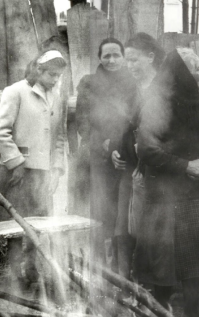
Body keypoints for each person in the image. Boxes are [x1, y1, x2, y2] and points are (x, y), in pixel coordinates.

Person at [134, 48, 199, 317]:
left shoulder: (198, 101)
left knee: (194, 255)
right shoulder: (156, 102)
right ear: (181, 72)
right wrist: (185, 166)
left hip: (195, 191)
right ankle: (161, 314)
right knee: (163, 257)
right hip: (164, 193)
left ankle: (190, 311)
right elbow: (146, 150)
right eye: (196, 68)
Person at [74, 38, 137, 277]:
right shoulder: (89, 84)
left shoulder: (133, 84)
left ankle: (124, 271)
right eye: (106, 56)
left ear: (123, 57)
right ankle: (100, 270)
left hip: (127, 159)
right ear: (99, 58)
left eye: (116, 55)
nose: (111, 60)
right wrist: (104, 146)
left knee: (126, 217)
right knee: (101, 214)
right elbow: (83, 124)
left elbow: (135, 120)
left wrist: (124, 148)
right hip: (99, 162)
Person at [0, 50, 66, 222]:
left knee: (38, 228)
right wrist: (16, 163)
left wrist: (57, 169)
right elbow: (0, 131)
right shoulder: (16, 92)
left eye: (58, 76)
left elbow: (59, 136)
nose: (55, 80)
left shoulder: (56, 98)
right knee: (9, 226)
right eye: (52, 75)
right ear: (38, 69)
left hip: (43, 176)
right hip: (17, 173)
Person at [110, 33, 165, 281]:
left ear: (151, 57)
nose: (129, 66)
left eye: (134, 60)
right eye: (128, 61)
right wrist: (114, 150)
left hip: (157, 172)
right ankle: (124, 282)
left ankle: (153, 284)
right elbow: (120, 126)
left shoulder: (165, 88)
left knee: (152, 231)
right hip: (129, 170)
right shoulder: (128, 89)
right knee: (123, 228)